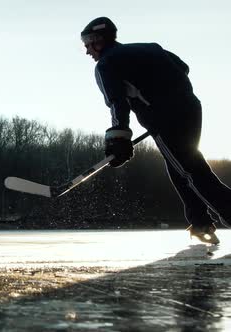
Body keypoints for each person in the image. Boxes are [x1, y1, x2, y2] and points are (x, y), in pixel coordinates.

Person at [81, 17, 231, 244]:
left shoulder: (105, 65)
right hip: (191, 108)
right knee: (181, 165)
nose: (87, 51)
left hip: (163, 118)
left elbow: (117, 102)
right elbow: (183, 67)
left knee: (189, 169)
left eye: (88, 45)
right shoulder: (149, 47)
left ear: (98, 41)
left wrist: (119, 136)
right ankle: (200, 221)